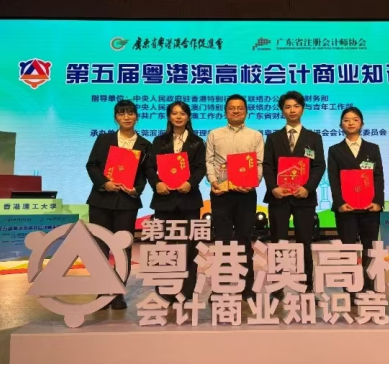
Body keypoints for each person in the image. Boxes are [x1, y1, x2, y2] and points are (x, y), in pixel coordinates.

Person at [85, 100, 151, 310]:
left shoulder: (145, 144)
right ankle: (102, 291)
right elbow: (92, 165)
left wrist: (136, 189)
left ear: (137, 117)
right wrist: (105, 183)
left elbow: (145, 174)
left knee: (123, 248)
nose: (126, 117)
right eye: (122, 114)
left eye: (130, 113)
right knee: (100, 248)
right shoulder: (104, 139)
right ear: (115, 118)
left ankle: (118, 292)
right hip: (101, 200)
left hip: (127, 202)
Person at [263, 91, 326, 296]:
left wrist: (307, 188)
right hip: (279, 197)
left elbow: (319, 166)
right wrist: (273, 187)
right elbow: (267, 166)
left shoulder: (313, 138)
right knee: (278, 242)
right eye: (288, 107)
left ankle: (306, 286)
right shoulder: (273, 138)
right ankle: (277, 287)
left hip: (304, 198)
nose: (292, 110)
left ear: (303, 109)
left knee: (304, 242)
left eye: (296, 106)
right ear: (282, 111)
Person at [145, 101, 206, 302]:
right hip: (164, 200)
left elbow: (201, 167)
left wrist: (191, 183)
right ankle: (165, 290)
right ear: (169, 117)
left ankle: (186, 291)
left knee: (189, 247)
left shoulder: (197, 142)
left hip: (189, 201)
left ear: (188, 117)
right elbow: (150, 167)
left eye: (182, 113)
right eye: (174, 113)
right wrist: (157, 184)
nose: (178, 117)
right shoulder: (159, 141)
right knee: (163, 245)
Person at [206, 94, 264, 300]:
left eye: (240, 108)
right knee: (221, 240)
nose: (236, 111)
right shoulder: (214, 134)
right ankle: (220, 285)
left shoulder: (255, 135)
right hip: (221, 194)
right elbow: (209, 161)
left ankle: (247, 286)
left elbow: (259, 163)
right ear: (225, 111)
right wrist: (214, 182)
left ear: (246, 111)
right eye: (232, 108)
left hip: (246, 195)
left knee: (244, 239)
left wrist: (252, 182)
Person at [327, 106, 385, 299]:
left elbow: (378, 176)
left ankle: (369, 286)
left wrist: (378, 202)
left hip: (370, 208)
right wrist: (339, 203)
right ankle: (350, 288)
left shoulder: (372, 148)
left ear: (362, 123)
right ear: (340, 125)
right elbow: (333, 178)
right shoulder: (335, 150)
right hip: (346, 209)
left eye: (355, 119)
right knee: (348, 248)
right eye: (346, 120)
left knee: (370, 248)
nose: (350, 123)